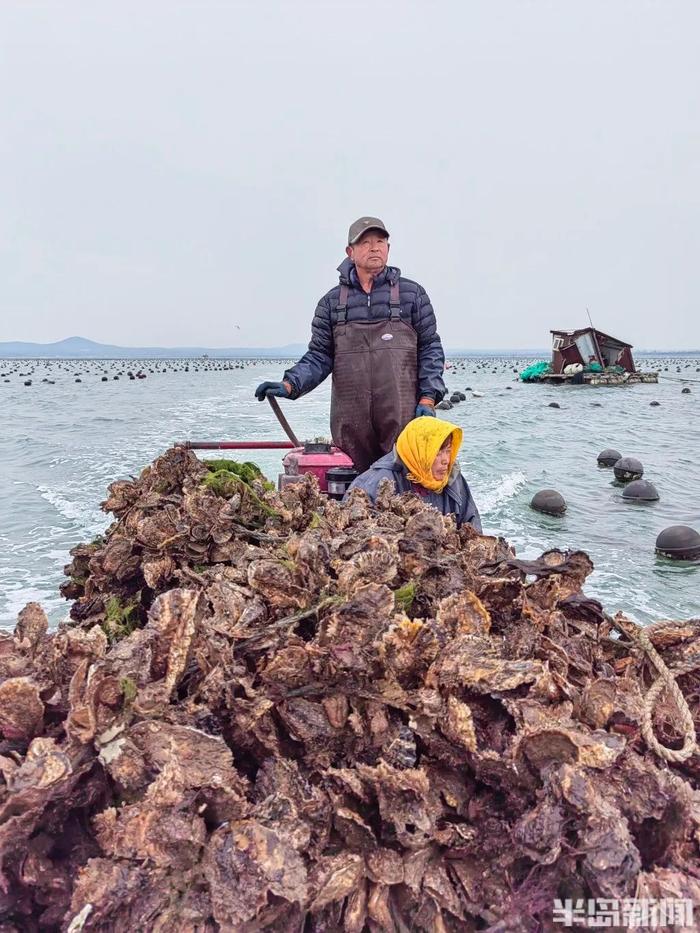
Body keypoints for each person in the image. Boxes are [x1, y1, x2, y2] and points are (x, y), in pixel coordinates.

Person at [254, 216, 446, 472]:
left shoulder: (413, 295)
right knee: (352, 493)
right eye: (365, 242)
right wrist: (290, 384)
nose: (375, 247)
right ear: (350, 252)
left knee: (405, 490)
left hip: (403, 421)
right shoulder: (332, 303)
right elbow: (319, 356)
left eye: (380, 241)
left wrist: (427, 398)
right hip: (350, 427)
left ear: (388, 248)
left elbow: (430, 350)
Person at [346, 417, 482, 531]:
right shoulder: (374, 482)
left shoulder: (452, 478)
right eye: (438, 452)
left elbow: (472, 522)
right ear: (419, 451)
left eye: (448, 451)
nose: (446, 460)